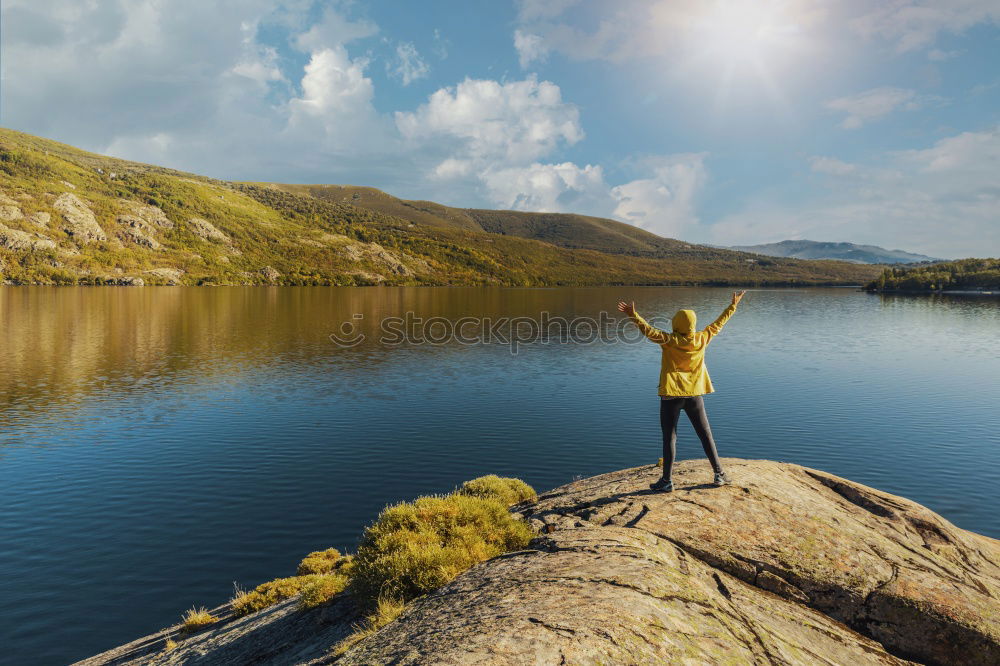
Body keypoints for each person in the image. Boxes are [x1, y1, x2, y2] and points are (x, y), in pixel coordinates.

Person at [617, 291, 746, 492]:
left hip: (671, 395)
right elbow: (719, 323)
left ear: (676, 323)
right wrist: (733, 306)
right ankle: (719, 474)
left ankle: (667, 481)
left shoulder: (669, 341)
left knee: (670, 438)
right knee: (705, 435)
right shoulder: (703, 338)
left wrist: (633, 314)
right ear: (693, 325)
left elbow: (648, 330)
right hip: (694, 394)